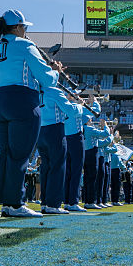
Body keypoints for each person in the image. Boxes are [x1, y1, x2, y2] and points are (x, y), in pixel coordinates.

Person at [0, 9, 58, 217]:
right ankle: (15, 203)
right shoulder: (25, 45)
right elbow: (46, 79)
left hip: (0, 99)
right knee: (20, 154)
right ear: (18, 27)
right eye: (24, 27)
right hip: (22, 99)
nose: (26, 30)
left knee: (6, 153)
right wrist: (55, 71)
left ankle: (6, 201)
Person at [38, 82, 79, 214]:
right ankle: (53, 204)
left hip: (40, 130)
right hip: (55, 129)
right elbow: (70, 111)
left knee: (46, 167)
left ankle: (44, 203)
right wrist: (78, 104)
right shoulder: (55, 91)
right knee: (57, 166)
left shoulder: (36, 90)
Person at [64, 94, 99, 212]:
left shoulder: (63, 105)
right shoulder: (77, 108)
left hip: (65, 138)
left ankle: (67, 201)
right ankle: (73, 202)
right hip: (75, 138)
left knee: (68, 172)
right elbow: (95, 111)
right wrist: (94, 101)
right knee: (76, 171)